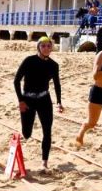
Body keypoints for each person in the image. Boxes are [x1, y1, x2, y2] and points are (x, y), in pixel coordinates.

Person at [14, 37, 64, 169]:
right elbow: (16, 80)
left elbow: (57, 84)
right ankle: (27, 133)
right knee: (27, 133)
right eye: (43, 46)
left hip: (44, 99)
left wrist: (59, 101)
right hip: (28, 100)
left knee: (47, 131)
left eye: (49, 46)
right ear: (38, 47)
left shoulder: (54, 65)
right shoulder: (29, 61)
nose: (46, 48)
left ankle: (44, 162)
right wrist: (21, 101)